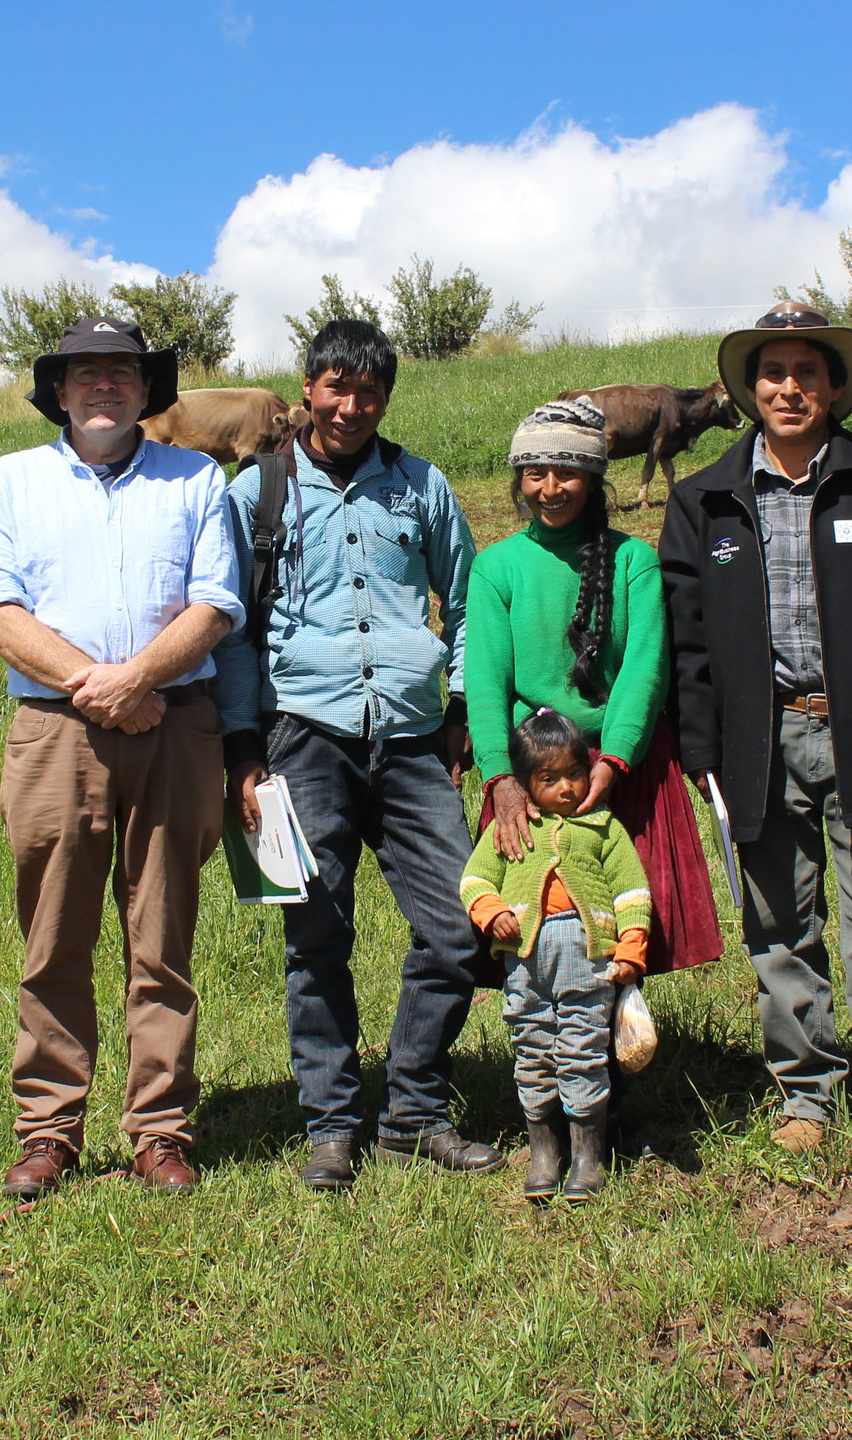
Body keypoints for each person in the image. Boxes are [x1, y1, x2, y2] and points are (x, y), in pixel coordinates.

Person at [660, 303, 852, 1183]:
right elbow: (688, 638)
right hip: (755, 744)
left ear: (835, 388)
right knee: (779, 925)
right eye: (772, 374)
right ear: (746, 390)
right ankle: (803, 1091)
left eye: (808, 373)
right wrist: (702, 745)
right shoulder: (704, 500)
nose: (789, 388)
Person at [214, 318, 500, 1190]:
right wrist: (241, 751)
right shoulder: (253, 493)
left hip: (413, 739)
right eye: (335, 387)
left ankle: (413, 1110)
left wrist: (459, 705)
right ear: (307, 387)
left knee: (460, 925)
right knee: (317, 935)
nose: (350, 406)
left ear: (385, 398)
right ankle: (333, 1123)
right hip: (302, 735)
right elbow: (230, 636)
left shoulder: (419, 487)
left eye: (368, 392)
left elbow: (467, 596)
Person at [0, 317, 244, 1201]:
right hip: (57, 733)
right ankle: (49, 1130)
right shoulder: (10, 481)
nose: (104, 387)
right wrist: (104, 686)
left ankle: (160, 1129)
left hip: (175, 726)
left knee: (160, 941)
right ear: (57, 389)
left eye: (121, 372)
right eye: (85, 373)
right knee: (55, 938)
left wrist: (139, 681)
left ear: (145, 389)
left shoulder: (197, 479)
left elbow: (217, 603)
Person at [462, 396, 722, 969]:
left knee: (622, 916)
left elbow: (644, 672)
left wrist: (615, 762)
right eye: (535, 473)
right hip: (533, 773)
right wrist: (500, 778)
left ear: (594, 479)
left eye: (568, 473)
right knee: (539, 915)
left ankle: (617, 1031)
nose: (550, 489)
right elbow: (485, 681)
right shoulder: (496, 568)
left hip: (619, 764)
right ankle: (549, 1036)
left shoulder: (633, 561)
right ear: (518, 480)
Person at [460, 709, 654, 1203]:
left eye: (574, 774)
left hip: (588, 958)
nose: (566, 788)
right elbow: (475, 878)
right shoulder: (511, 827)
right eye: (549, 779)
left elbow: (633, 892)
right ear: (525, 785)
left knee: (583, 1051)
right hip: (525, 961)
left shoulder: (602, 828)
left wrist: (631, 949)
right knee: (532, 1048)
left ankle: (588, 1156)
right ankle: (545, 1151)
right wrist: (491, 910)